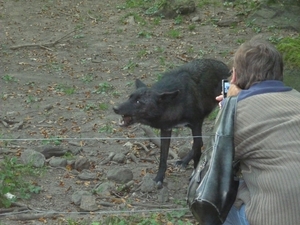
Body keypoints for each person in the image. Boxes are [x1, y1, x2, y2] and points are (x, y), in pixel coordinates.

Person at [216, 38, 300, 225]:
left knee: (220, 206)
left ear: (235, 77)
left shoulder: (238, 110)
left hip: (277, 216)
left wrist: (227, 110)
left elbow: (218, 165)